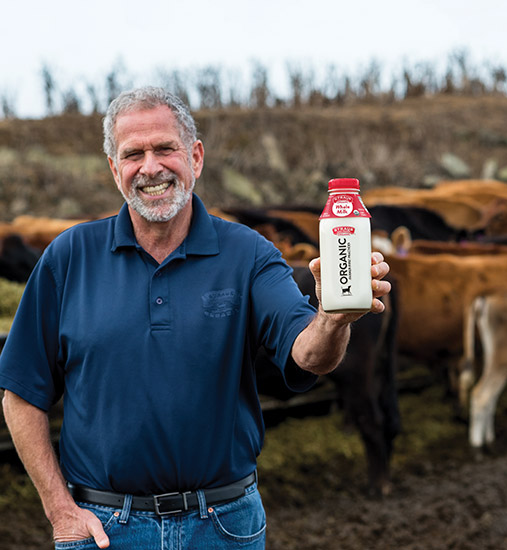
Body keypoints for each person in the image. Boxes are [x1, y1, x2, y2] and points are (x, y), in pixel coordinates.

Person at [0, 86, 391, 549]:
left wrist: (332, 318)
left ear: (196, 157)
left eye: (165, 148)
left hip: (224, 524)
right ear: (113, 169)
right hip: (105, 529)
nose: (151, 167)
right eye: (133, 154)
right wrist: (59, 509)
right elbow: (21, 392)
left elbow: (309, 354)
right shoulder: (69, 257)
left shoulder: (247, 253)